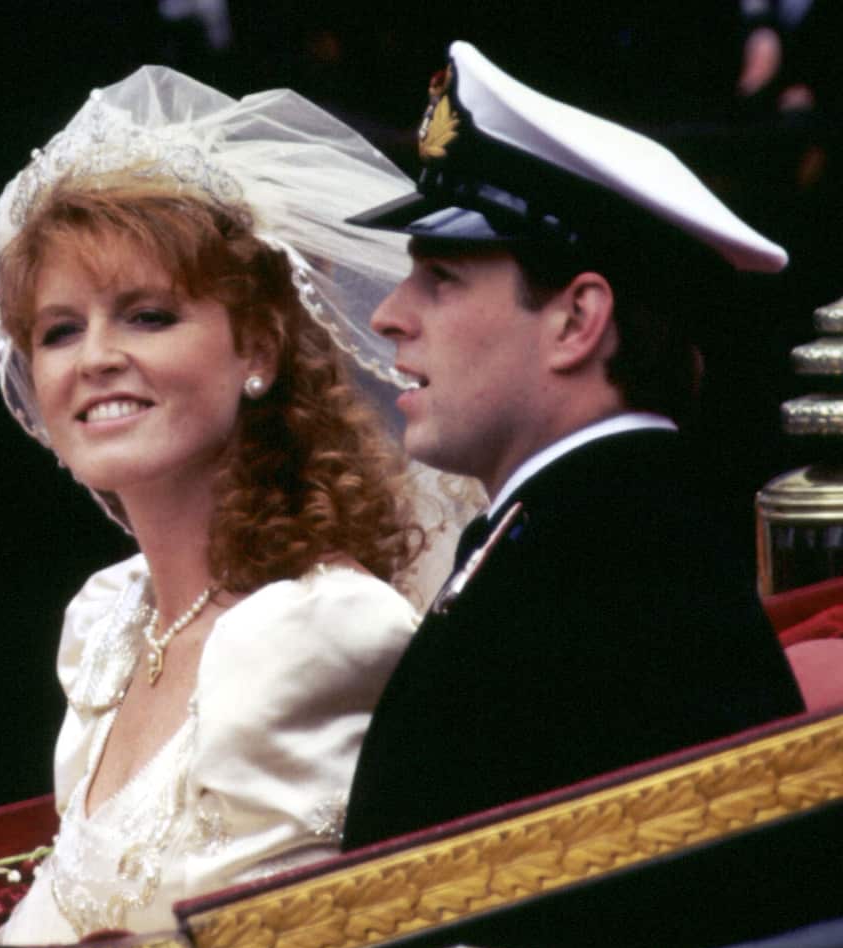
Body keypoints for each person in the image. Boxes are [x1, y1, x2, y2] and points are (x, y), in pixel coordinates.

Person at [0, 66, 476, 943]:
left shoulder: (312, 629)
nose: (94, 357)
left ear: (256, 345)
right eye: (60, 330)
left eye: (146, 316)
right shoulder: (106, 625)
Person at [341, 41, 806, 850]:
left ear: (578, 319)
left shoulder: (616, 562)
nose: (389, 313)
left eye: (442, 276)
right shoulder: (587, 528)